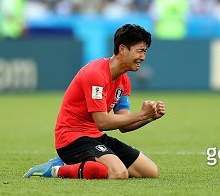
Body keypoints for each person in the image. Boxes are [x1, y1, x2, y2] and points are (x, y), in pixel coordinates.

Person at [24, 24, 166, 179]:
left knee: (150, 172)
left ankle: (89, 166)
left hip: (95, 137)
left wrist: (149, 116)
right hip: (71, 139)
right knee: (119, 173)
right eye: (140, 51)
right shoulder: (95, 74)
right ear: (123, 49)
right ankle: (58, 168)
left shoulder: (124, 80)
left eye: (145, 51)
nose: (143, 57)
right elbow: (102, 122)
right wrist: (141, 114)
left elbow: (124, 124)